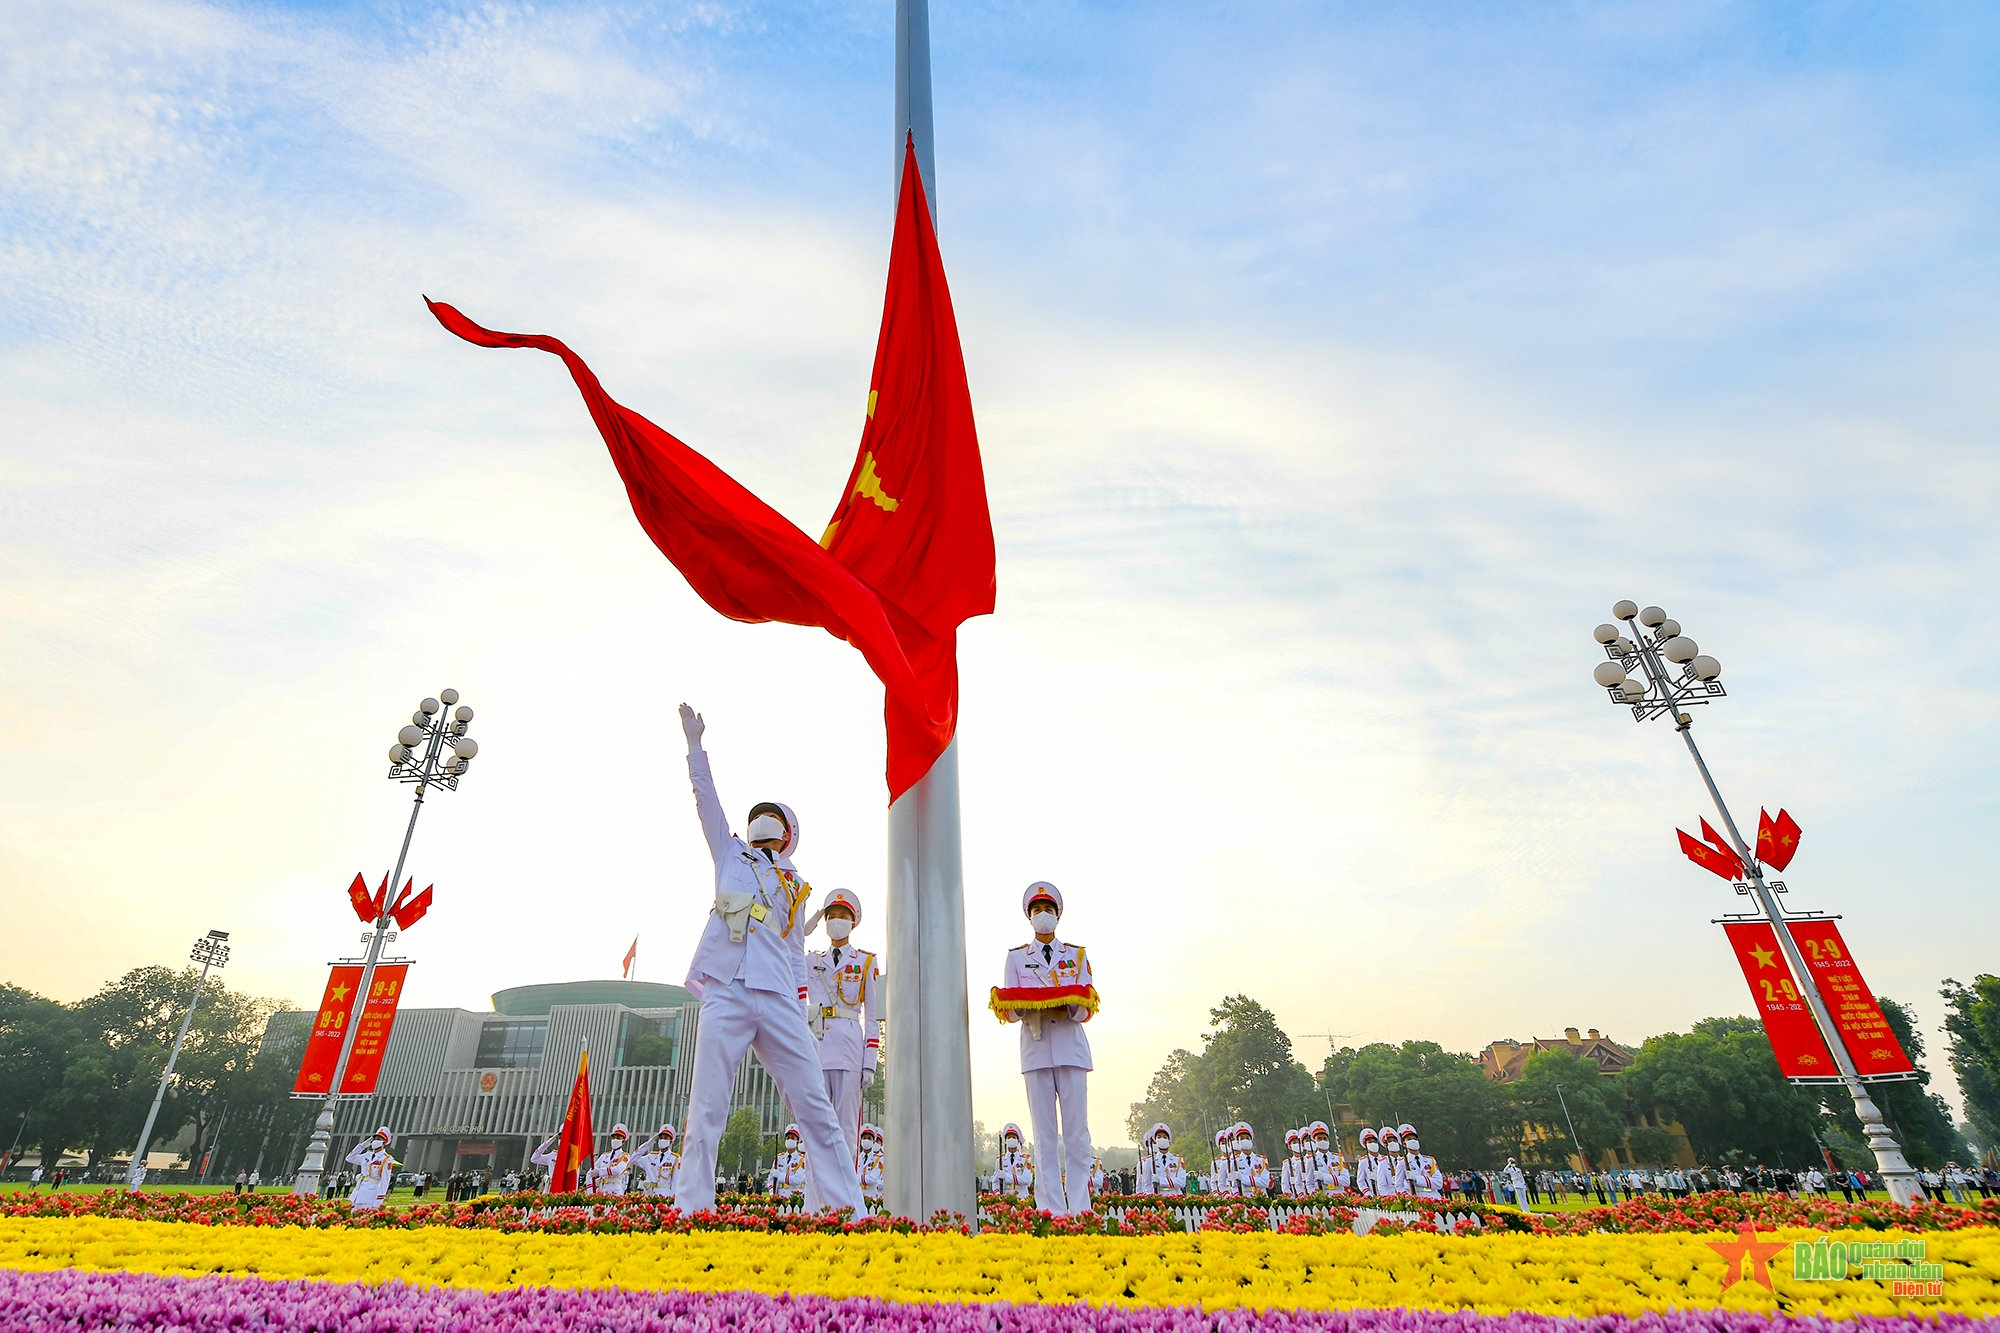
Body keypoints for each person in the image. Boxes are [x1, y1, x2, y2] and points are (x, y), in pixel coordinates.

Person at [672, 705, 863, 1216]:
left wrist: (800, 1010)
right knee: (707, 1107)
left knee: (816, 1109)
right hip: (728, 990)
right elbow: (706, 800)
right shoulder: (729, 852)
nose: (762, 819)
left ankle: (850, 1212)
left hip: (779, 997)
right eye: (760, 814)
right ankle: (690, 1212)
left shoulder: (796, 885)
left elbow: (797, 956)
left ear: (786, 834)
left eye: (774, 817)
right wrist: (695, 746)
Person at [995, 882, 1097, 1216]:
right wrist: (1029, 1006)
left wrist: (1066, 1007)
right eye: (1037, 910)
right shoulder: (1016, 958)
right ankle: (1051, 1210)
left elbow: (1088, 1005)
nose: (1043, 915)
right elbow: (1010, 1010)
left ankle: (1080, 1210)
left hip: (1071, 1048)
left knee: (1077, 1134)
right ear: (1029, 917)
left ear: (1058, 915)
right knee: (1044, 1136)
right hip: (1036, 1049)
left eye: (1048, 909)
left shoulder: (1076, 955)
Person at [804, 888, 881, 1166]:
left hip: (849, 1049)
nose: (836, 920)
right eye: (831, 916)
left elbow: (871, 1017)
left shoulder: (865, 962)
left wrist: (869, 1063)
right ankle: (815, 1188)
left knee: (847, 1126)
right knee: (815, 1125)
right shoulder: (811, 961)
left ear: (852, 922)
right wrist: (806, 926)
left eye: (842, 916)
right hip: (817, 1044)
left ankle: (846, 1188)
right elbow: (784, 949)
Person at [346, 1128, 399, 1211]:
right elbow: (349, 1158)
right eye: (374, 1139)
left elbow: (385, 1182)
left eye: (379, 1139)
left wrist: (377, 1204)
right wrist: (363, 1145)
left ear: (384, 1143)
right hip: (358, 1192)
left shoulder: (386, 1159)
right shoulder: (367, 1155)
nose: (375, 1141)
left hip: (371, 1195)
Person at [1136, 1123, 1187, 1197]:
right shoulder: (1149, 1161)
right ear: (1155, 1140)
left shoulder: (1178, 1159)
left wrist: (1161, 1180)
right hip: (1158, 1197)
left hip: (1175, 1196)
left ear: (1169, 1140)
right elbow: (1147, 1184)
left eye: (1165, 1137)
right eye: (1159, 1137)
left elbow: (1182, 1182)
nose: (1162, 1139)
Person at [633, 1124, 680, 1198]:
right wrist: (648, 1144)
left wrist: (672, 1199)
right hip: (649, 1194)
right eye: (661, 1138)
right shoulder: (651, 1157)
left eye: (665, 1138)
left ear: (671, 1141)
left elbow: (675, 1183)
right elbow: (633, 1159)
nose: (662, 1140)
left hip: (665, 1196)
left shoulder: (675, 1159)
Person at [1400, 1123, 1443, 1201]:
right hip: (1416, 1199)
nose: (1413, 1141)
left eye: (1415, 1139)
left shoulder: (1430, 1160)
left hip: (1434, 1197)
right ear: (1404, 1143)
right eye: (1409, 1139)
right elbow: (1399, 1186)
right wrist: (1408, 1199)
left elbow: (1439, 1183)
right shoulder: (1402, 1163)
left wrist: (1417, 1178)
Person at [589, 1124, 633, 1196]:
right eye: (613, 1138)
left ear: (623, 1141)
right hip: (601, 1190)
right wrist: (590, 1190)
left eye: (618, 1138)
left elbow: (618, 1170)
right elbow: (590, 1172)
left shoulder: (625, 1156)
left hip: (615, 1191)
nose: (615, 1140)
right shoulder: (604, 1156)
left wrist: (600, 1171)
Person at [766, 1125, 809, 1199]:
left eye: (792, 1138)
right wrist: (772, 1194)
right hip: (779, 1196)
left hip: (794, 1197)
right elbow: (770, 1179)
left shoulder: (801, 1159)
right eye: (788, 1138)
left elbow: (797, 1180)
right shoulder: (779, 1158)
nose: (789, 1140)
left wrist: (779, 1175)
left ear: (797, 1141)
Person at [995, 1123, 1033, 1198]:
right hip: (1006, 1197)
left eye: (1013, 1137)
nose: (1011, 1139)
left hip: (1022, 1196)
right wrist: (997, 1193)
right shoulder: (1000, 1159)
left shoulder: (1026, 1159)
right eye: (1008, 1137)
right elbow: (995, 1181)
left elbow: (1026, 1179)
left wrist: (1006, 1177)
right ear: (1005, 1141)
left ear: (1018, 1140)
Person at [857, 1124, 886, 1205]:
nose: (866, 1140)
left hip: (872, 1196)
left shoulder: (878, 1158)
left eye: (869, 1138)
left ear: (873, 1141)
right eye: (864, 1138)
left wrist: (857, 1178)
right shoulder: (857, 1158)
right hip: (858, 1194)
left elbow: (873, 1179)